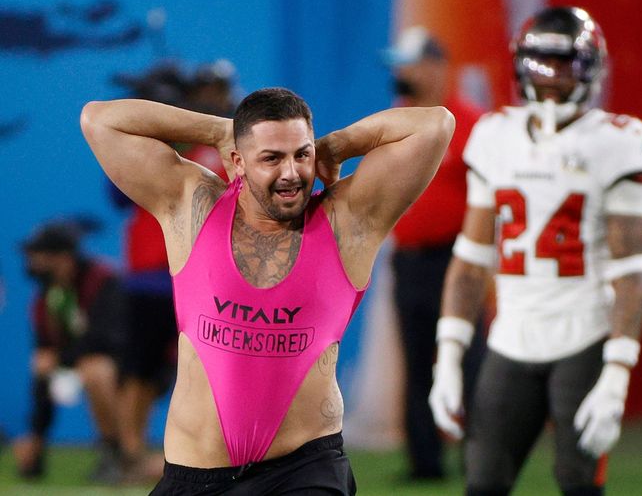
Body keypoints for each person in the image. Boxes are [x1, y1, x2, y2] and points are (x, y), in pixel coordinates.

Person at [81, 87, 455, 494]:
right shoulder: (191, 205)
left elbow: (435, 124)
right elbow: (100, 120)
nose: (291, 172)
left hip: (303, 471)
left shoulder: (348, 220)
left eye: (301, 155)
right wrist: (218, 130)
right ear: (238, 162)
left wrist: (336, 146)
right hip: (195, 476)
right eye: (272, 158)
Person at [429, 7, 642, 496]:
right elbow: (471, 260)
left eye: (565, 64)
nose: (552, 76)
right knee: (483, 482)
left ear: (591, 67)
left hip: (585, 336)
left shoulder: (620, 141)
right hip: (511, 339)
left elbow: (631, 270)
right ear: (521, 65)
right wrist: (447, 356)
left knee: (578, 484)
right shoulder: (495, 135)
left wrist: (618, 371)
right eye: (542, 62)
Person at [108, 60, 239, 483]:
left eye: (215, 89)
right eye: (201, 89)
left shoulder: (232, 145)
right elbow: (116, 192)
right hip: (150, 274)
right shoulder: (161, 147)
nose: (209, 97)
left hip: (203, 275)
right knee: (139, 370)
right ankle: (128, 455)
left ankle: (215, 454)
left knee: (207, 368)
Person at [381, 26, 485, 479]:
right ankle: (425, 465)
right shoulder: (394, 124)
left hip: (457, 262)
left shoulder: (470, 122)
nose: (402, 73)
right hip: (409, 262)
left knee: (472, 360)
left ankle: (482, 458)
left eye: (410, 63)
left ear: (436, 67)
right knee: (416, 359)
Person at [14, 220, 127, 481]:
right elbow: (44, 366)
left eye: (39, 256)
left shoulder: (104, 281)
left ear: (64, 258)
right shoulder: (45, 299)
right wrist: (37, 437)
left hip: (130, 372)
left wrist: (60, 358)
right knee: (46, 363)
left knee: (94, 368)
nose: (33, 264)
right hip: (79, 366)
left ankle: (115, 452)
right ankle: (35, 450)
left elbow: (107, 339)